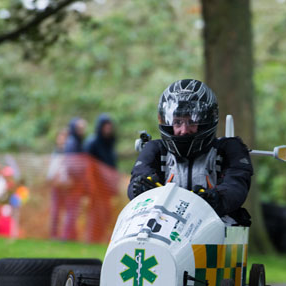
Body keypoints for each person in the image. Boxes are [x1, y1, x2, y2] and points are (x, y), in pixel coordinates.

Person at [127, 79, 253, 224]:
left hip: (214, 226)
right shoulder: (156, 149)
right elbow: (137, 180)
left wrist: (216, 198)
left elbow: (236, 186)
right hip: (164, 227)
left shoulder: (229, 148)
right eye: (178, 122)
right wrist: (142, 188)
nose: (184, 131)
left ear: (207, 121)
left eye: (192, 121)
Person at [82, 114, 118, 243]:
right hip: (95, 185)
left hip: (107, 186)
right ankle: (92, 238)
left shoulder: (109, 142)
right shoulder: (92, 143)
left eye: (110, 126)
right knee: (95, 212)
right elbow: (87, 166)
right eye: (106, 126)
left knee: (106, 213)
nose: (108, 129)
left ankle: (100, 237)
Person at [62, 117, 88, 240]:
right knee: (71, 210)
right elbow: (71, 163)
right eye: (80, 128)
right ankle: (67, 235)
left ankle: (71, 234)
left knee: (73, 210)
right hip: (73, 182)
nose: (82, 131)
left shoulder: (77, 142)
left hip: (75, 182)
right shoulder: (72, 143)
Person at [46, 128, 70, 239]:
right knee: (55, 212)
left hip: (66, 187)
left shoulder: (70, 153)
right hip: (56, 187)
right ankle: (54, 235)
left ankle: (65, 235)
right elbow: (51, 171)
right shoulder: (55, 153)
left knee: (67, 213)